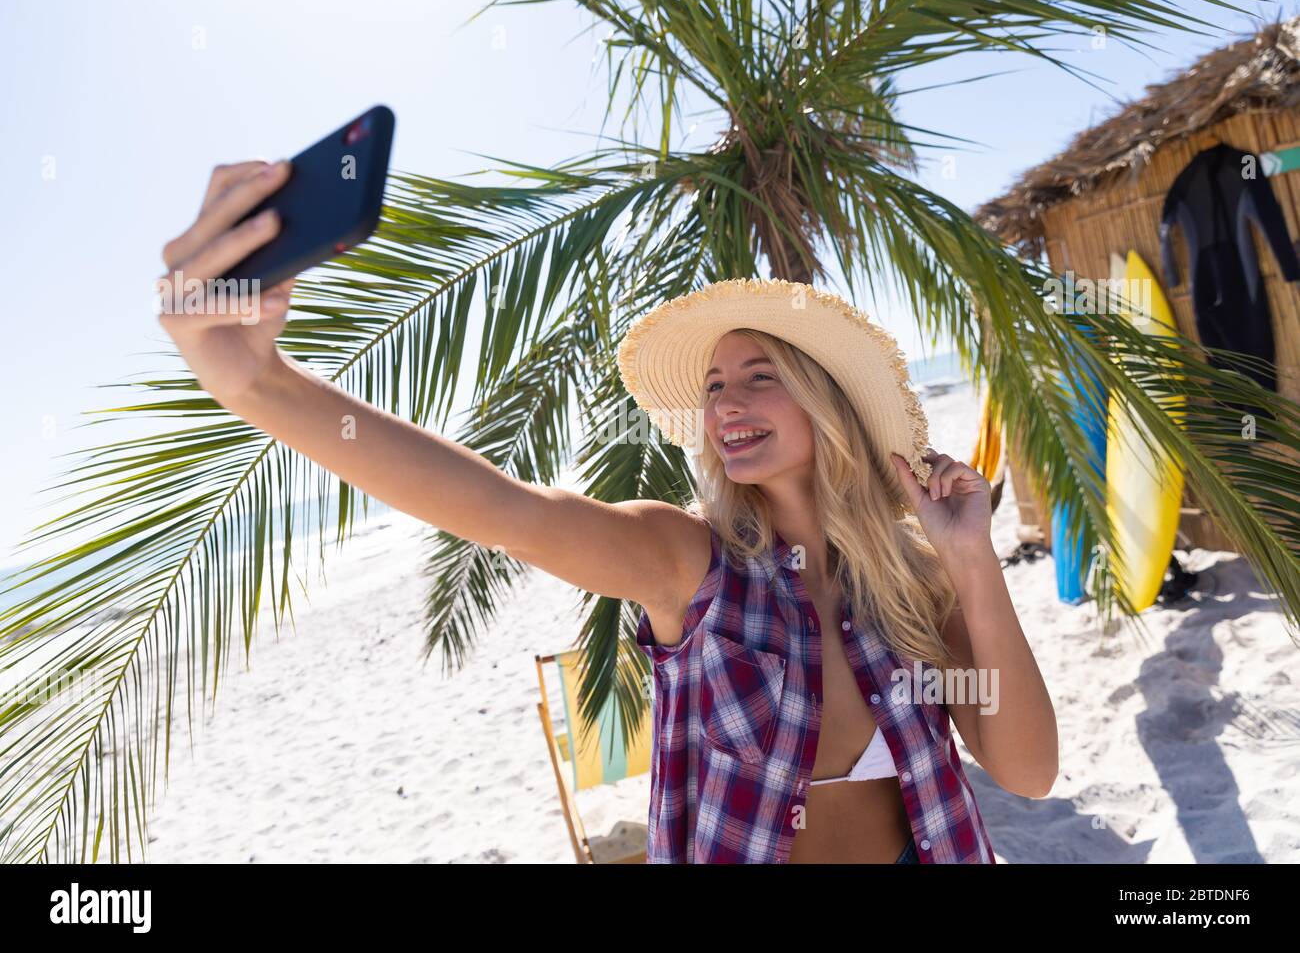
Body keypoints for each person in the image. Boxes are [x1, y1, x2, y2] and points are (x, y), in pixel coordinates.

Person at [158, 160, 1058, 864]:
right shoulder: (687, 563)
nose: (726, 404)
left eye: (759, 377)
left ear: (828, 404)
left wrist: (973, 561)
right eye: (712, 387)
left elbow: (1027, 770)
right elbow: (505, 509)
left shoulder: (913, 583)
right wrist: (258, 382)